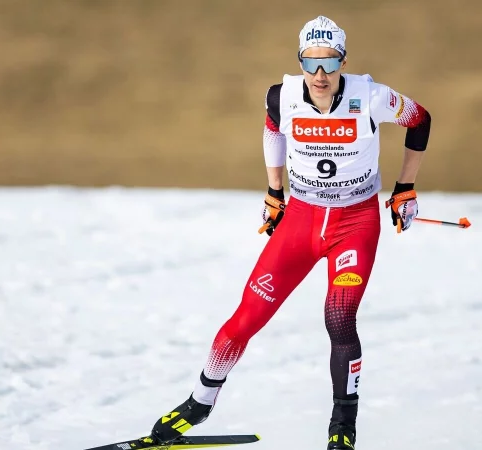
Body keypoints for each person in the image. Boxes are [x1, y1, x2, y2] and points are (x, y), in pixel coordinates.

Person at [147, 15, 431, 450]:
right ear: (299, 61)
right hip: (300, 221)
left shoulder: (371, 96)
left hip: (354, 225)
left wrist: (406, 188)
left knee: (339, 319)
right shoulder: (281, 97)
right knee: (246, 318)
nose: (320, 75)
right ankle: (200, 403)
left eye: (330, 63)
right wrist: (274, 191)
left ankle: (343, 424)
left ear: (343, 61)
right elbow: (272, 129)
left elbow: (420, 119)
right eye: (310, 63)